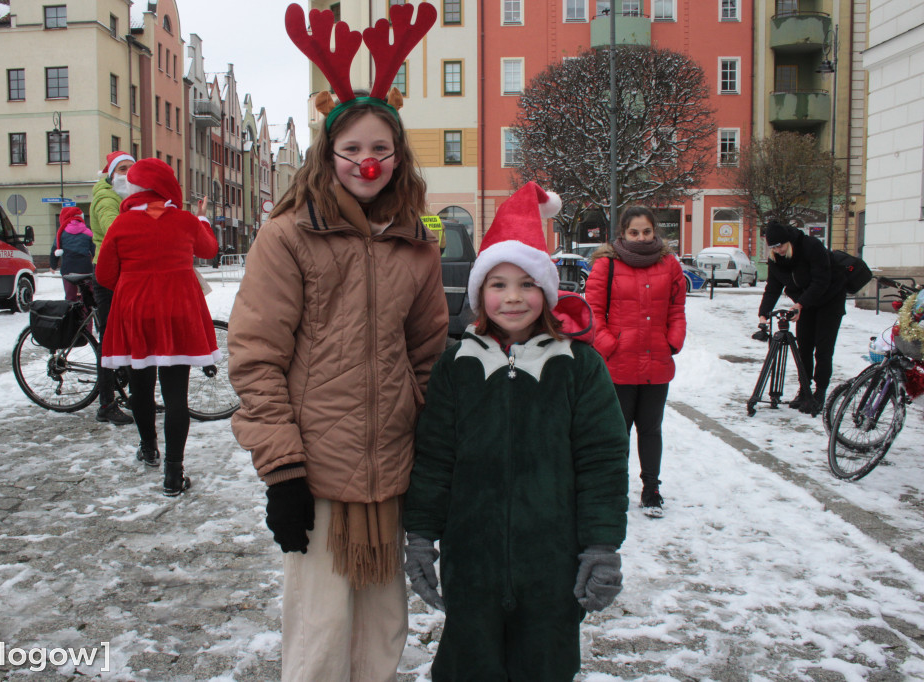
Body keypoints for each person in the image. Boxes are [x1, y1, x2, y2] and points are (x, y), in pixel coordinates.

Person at [227, 88, 448, 682]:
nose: (365, 160)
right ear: (328, 155)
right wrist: (282, 471)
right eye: (352, 148)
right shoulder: (287, 237)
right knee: (320, 636)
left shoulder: (418, 247)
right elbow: (257, 358)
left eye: (379, 147)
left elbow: (427, 357)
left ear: (398, 156)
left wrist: (430, 445)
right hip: (317, 471)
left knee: (383, 630)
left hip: (391, 470)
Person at [403, 182, 629, 682]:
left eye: (527, 284)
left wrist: (601, 545)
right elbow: (435, 458)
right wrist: (420, 535)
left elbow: (603, 461)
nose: (512, 297)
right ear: (480, 292)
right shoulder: (455, 366)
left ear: (547, 291)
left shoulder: (579, 366)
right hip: (473, 563)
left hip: (551, 567)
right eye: (498, 284)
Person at [95, 158, 218, 496]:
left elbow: (104, 275)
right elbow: (209, 249)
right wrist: (202, 217)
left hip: (136, 311)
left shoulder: (121, 224)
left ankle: (148, 448)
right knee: (175, 393)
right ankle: (173, 474)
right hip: (178, 308)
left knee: (141, 386)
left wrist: (134, 280)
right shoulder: (184, 220)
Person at [584, 206, 687, 518]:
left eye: (646, 231)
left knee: (651, 429)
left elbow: (677, 308)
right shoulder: (606, 264)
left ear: (654, 231)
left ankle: (651, 488)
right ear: (623, 234)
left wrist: (673, 341)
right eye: (634, 232)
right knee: (619, 431)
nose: (641, 237)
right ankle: (615, 488)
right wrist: (610, 346)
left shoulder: (669, 264)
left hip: (657, 360)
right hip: (620, 364)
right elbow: (593, 313)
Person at [757, 220, 848, 415]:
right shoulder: (776, 259)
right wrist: (763, 314)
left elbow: (822, 280)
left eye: (780, 246)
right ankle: (804, 390)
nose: (777, 250)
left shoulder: (810, 246)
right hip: (804, 303)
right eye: (772, 247)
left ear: (788, 241)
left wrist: (800, 304)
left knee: (823, 349)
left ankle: (820, 392)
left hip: (829, 300)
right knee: (804, 348)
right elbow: (772, 288)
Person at [88, 151, 136, 426]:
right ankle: (106, 403)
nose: (127, 173)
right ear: (110, 173)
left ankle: (137, 395)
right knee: (110, 339)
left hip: (123, 270)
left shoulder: (126, 197)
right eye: (122, 169)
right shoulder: (106, 198)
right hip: (107, 273)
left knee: (132, 334)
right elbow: (112, 227)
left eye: (131, 168)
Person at [49, 206, 94, 302]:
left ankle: (72, 315)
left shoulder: (61, 233)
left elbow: (54, 250)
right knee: (87, 296)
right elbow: (94, 250)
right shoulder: (88, 232)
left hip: (68, 268)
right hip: (85, 268)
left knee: (70, 297)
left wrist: (53, 266)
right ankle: (87, 315)